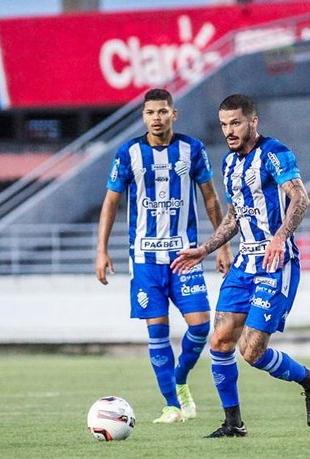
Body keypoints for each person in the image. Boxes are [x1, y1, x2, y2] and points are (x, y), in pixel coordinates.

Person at [171, 94, 310, 438]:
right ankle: (233, 423)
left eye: (236, 123)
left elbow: (300, 198)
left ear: (252, 122)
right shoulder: (229, 164)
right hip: (245, 264)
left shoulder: (274, 154)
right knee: (219, 341)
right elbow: (233, 216)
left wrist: (279, 236)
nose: (229, 130)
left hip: (276, 261)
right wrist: (207, 248)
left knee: (252, 351)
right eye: (224, 124)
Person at [96, 88, 232, 424]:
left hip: (184, 257)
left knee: (201, 328)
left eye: (162, 112)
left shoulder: (192, 150)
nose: (156, 118)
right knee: (157, 333)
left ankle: (179, 380)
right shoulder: (129, 154)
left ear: (174, 114)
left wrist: (223, 245)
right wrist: (101, 250)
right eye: (150, 113)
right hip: (144, 260)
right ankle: (173, 405)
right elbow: (111, 201)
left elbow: (211, 200)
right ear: (143, 116)